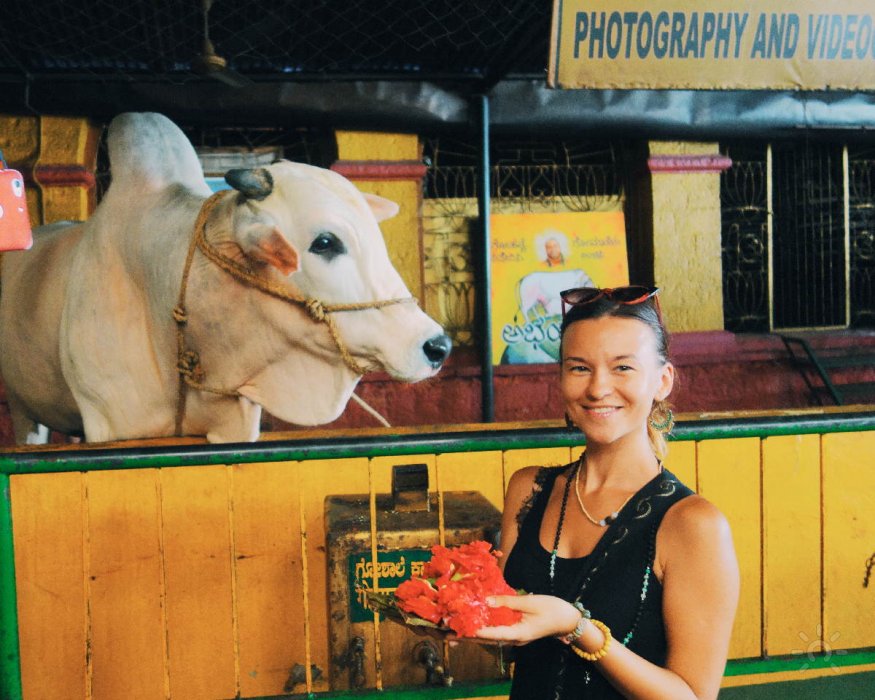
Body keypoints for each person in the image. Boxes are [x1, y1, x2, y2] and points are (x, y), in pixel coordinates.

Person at [475, 285, 740, 699]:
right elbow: (512, 640)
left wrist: (577, 628)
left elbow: (691, 696)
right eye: (580, 368)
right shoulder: (528, 489)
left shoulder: (693, 524)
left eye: (623, 368)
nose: (598, 388)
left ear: (662, 381)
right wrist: (455, 609)